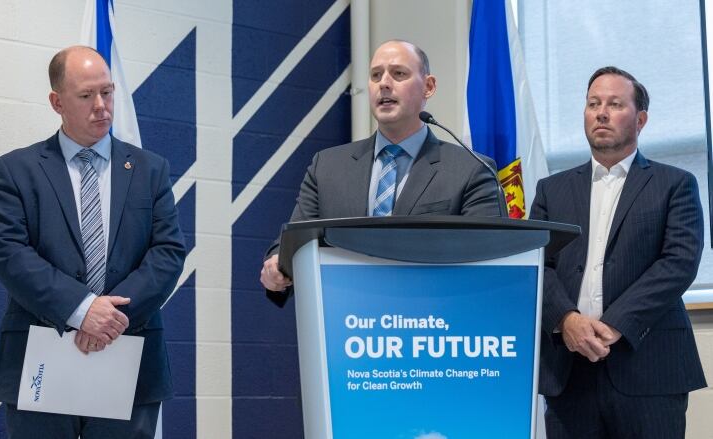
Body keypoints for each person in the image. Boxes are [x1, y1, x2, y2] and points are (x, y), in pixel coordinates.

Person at [0, 46, 186, 438]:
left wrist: (108, 318)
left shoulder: (151, 170)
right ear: (57, 102)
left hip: (129, 356)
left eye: (107, 92)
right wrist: (81, 309)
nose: (102, 106)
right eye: (86, 96)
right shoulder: (17, 170)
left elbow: (168, 253)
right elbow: (10, 254)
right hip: (42, 355)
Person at [530, 66, 706, 438]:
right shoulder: (551, 190)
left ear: (640, 119)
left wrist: (612, 325)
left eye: (614, 104)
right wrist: (567, 321)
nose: (601, 112)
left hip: (649, 367)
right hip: (569, 370)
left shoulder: (675, 184)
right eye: (593, 103)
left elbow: (678, 263)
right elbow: (537, 264)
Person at [260, 40, 505, 305]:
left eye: (399, 73)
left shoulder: (471, 169)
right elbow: (293, 243)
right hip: (346, 324)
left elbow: (488, 262)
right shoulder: (327, 166)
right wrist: (276, 265)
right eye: (376, 75)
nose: (384, 83)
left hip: (436, 325)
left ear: (429, 86)